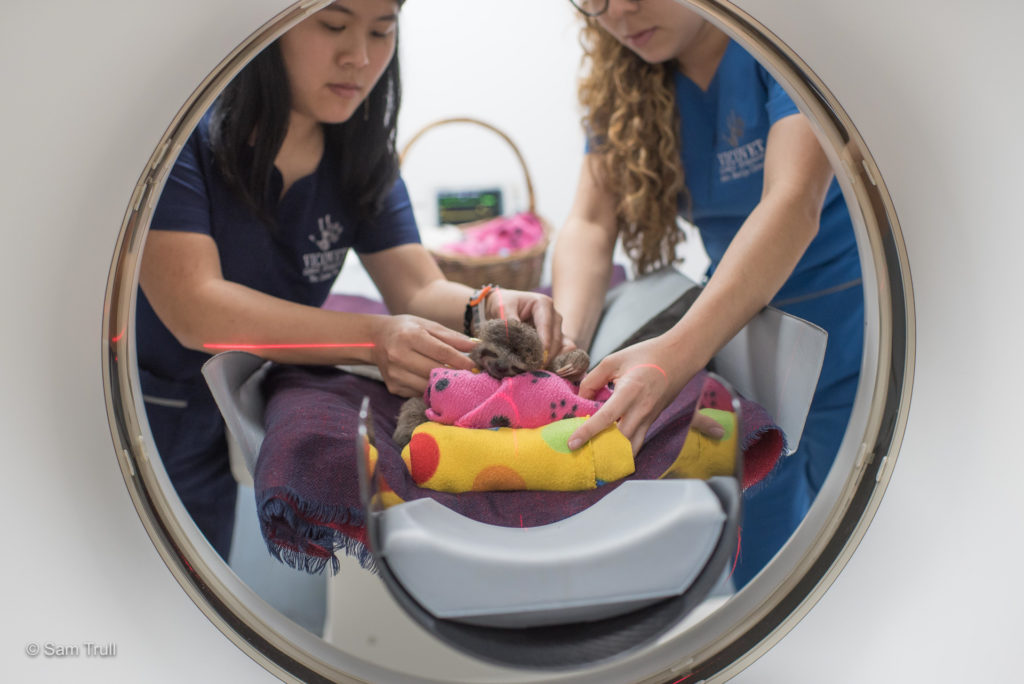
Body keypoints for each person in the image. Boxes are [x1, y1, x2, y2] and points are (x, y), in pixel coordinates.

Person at [136, 0, 564, 559]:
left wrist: (489, 306)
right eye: (334, 26)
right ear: (272, 26)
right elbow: (194, 307)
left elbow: (415, 289)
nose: (359, 57)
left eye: (382, 32)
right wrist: (373, 337)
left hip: (241, 394)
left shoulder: (360, 154)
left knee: (192, 582)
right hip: (152, 401)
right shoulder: (183, 135)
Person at [553, 0, 864, 587]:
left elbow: (794, 202)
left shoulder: (781, 42)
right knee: (762, 564)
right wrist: (564, 348)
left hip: (855, 333)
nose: (617, 11)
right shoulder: (628, 84)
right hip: (746, 343)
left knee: (860, 553)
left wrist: (672, 357)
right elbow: (590, 226)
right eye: (592, 0)